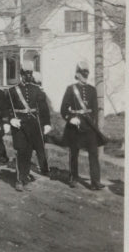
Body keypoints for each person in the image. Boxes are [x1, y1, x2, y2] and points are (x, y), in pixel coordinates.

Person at [60, 59, 105, 190]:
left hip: (89, 126)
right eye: (82, 73)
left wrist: (94, 124)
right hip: (75, 127)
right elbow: (63, 109)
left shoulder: (92, 90)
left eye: (86, 73)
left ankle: (95, 182)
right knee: (74, 153)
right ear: (77, 74)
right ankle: (73, 177)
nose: (85, 76)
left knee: (93, 154)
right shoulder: (71, 89)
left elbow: (95, 110)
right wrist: (71, 118)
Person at [7, 60, 51, 190]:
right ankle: (20, 179)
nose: (28, 75)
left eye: (30, 73)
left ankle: (25, 175)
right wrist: (11, 119)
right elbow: (7, 108)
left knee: (28, 152)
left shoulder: (36, 90)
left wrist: (47, 123)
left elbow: (44, 108)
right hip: (19, 125)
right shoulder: (12, 91)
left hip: (33, 125)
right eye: (26, 73)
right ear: (21, 73)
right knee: (21, 151)